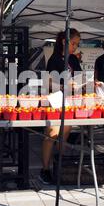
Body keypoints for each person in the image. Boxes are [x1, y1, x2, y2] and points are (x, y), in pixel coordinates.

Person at [39, 28, 81, 184]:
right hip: (55, 100)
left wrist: (85, 83)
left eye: (77, 44)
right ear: (65, 42)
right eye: (74, 43)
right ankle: (45, 169)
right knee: (51, 134)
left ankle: (60, 166)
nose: (75, 46)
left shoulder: (74, 59)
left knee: (65, 133)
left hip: (69, 101)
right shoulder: (55, 59)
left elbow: (79, 77)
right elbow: (47, 81)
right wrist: (63, 86)